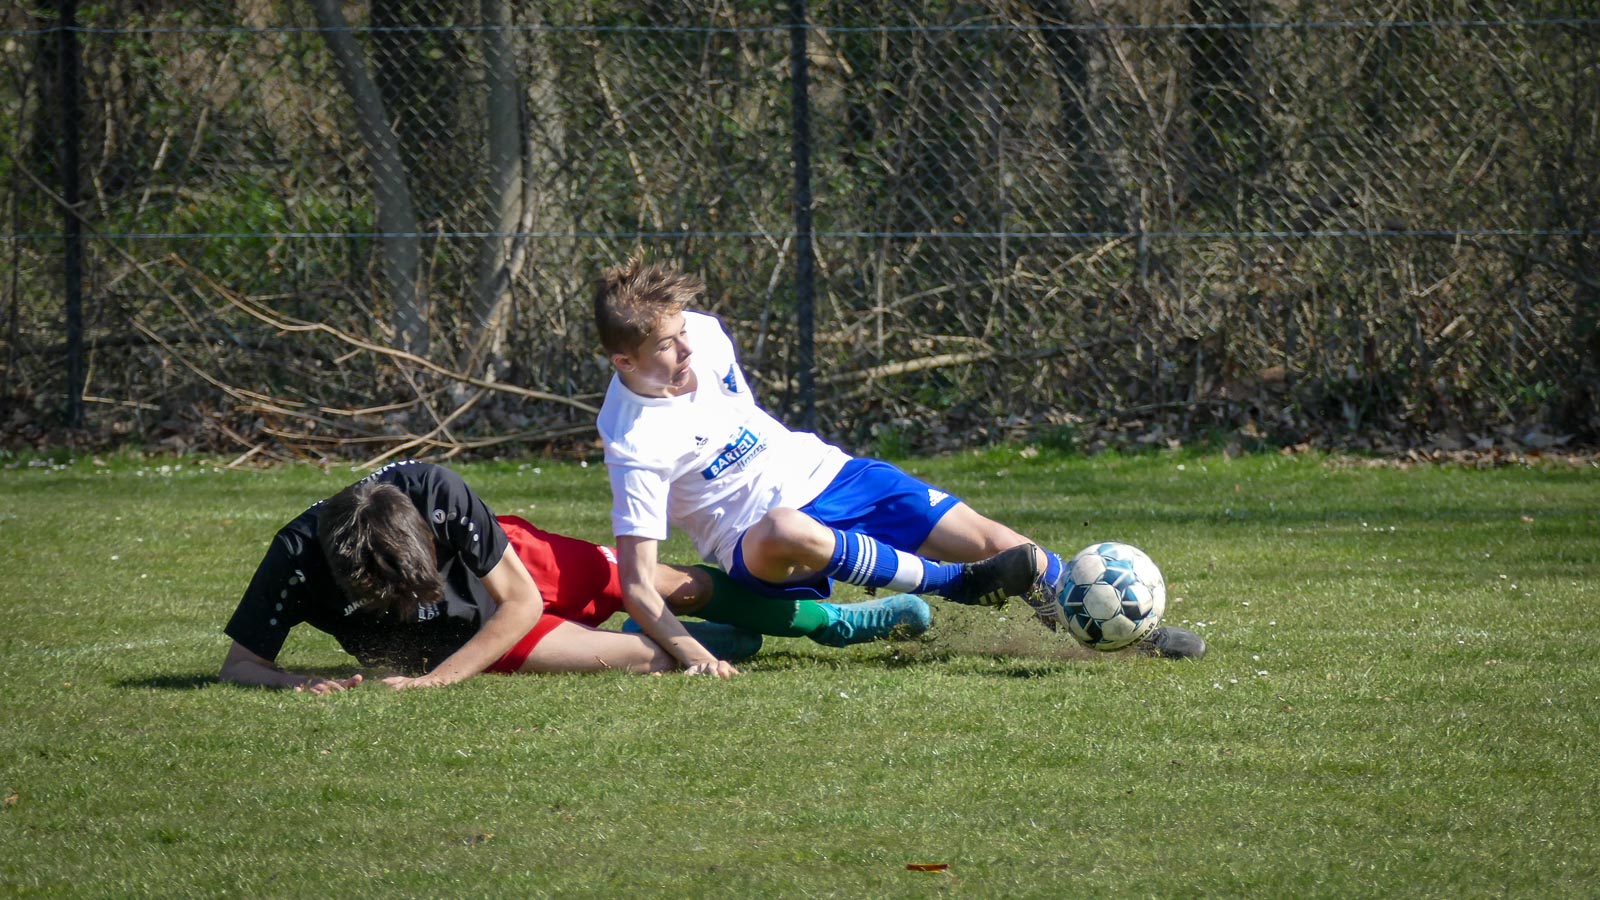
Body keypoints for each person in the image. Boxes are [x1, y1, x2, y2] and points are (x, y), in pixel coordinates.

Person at [592, 257, 1206, 665]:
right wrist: (694, 657)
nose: (687, 348)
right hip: (756, 544)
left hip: (830, 473)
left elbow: (695, 340)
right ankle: (959, 587)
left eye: (682, 332)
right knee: (785, 526)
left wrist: (679, 336)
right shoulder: (634, 441)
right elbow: (639, 582)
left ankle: (1129, 637)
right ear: (623, 362)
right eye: (666, 345)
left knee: (996, 540)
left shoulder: (704, 334)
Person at [219, 460, 769, 691]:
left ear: (428, 534)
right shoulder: (293, 558)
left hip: (514, 573)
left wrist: (438, 682)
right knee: (654, 658)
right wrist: (296, 683)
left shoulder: (434, 489)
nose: (410, 603)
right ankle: (691, 640)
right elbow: (241, 665)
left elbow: (520, 599)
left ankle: (828, 620)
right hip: (474, 637)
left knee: (661, 584)